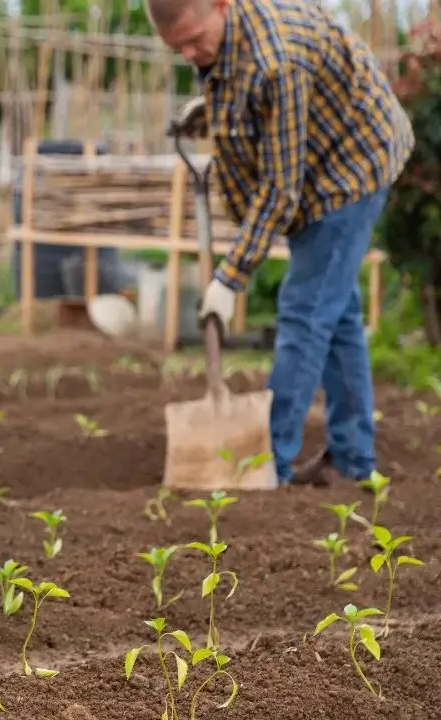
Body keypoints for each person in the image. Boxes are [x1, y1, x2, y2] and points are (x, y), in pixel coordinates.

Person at [146, 0, 414, 486]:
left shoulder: (278, 61)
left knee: (305, 312)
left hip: (352, 166)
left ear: (221, 6)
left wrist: (231, 278)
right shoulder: (226, 41)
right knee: (337, 314)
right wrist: (213, 106)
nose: (190, 54)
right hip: (316, 160)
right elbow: (242, 88)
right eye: (177, 48)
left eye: (194, 39)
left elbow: (280, 190)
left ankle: (268, 464)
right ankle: (353, 460)